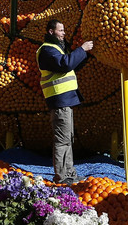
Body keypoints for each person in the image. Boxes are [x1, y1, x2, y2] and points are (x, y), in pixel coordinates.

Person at [35, 19, 93, 184]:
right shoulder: (47, 50)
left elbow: (69, 64)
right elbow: (65, 64)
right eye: (61, 30)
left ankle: (69, 174)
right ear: (51, 32)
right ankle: (62, 176)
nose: (64, 33)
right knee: (62, 139)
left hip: (64, 100)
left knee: (67, 138)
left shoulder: (56, 49)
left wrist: (83, 54)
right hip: (59, 100)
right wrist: (81, 49)